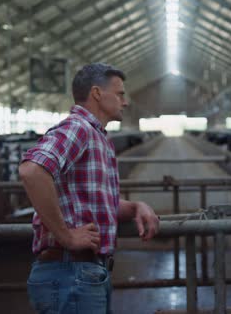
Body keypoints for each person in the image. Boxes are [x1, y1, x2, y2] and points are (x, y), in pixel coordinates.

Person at [19, 63, 159, 313]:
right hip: (70, 272)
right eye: (120, 94)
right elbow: (32, 170)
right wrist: (66, 236)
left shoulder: (97, 136)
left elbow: (98, 205)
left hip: (83, 273)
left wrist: (136, 206)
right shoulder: (78, 128)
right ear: (96, 93)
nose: (125, 102)